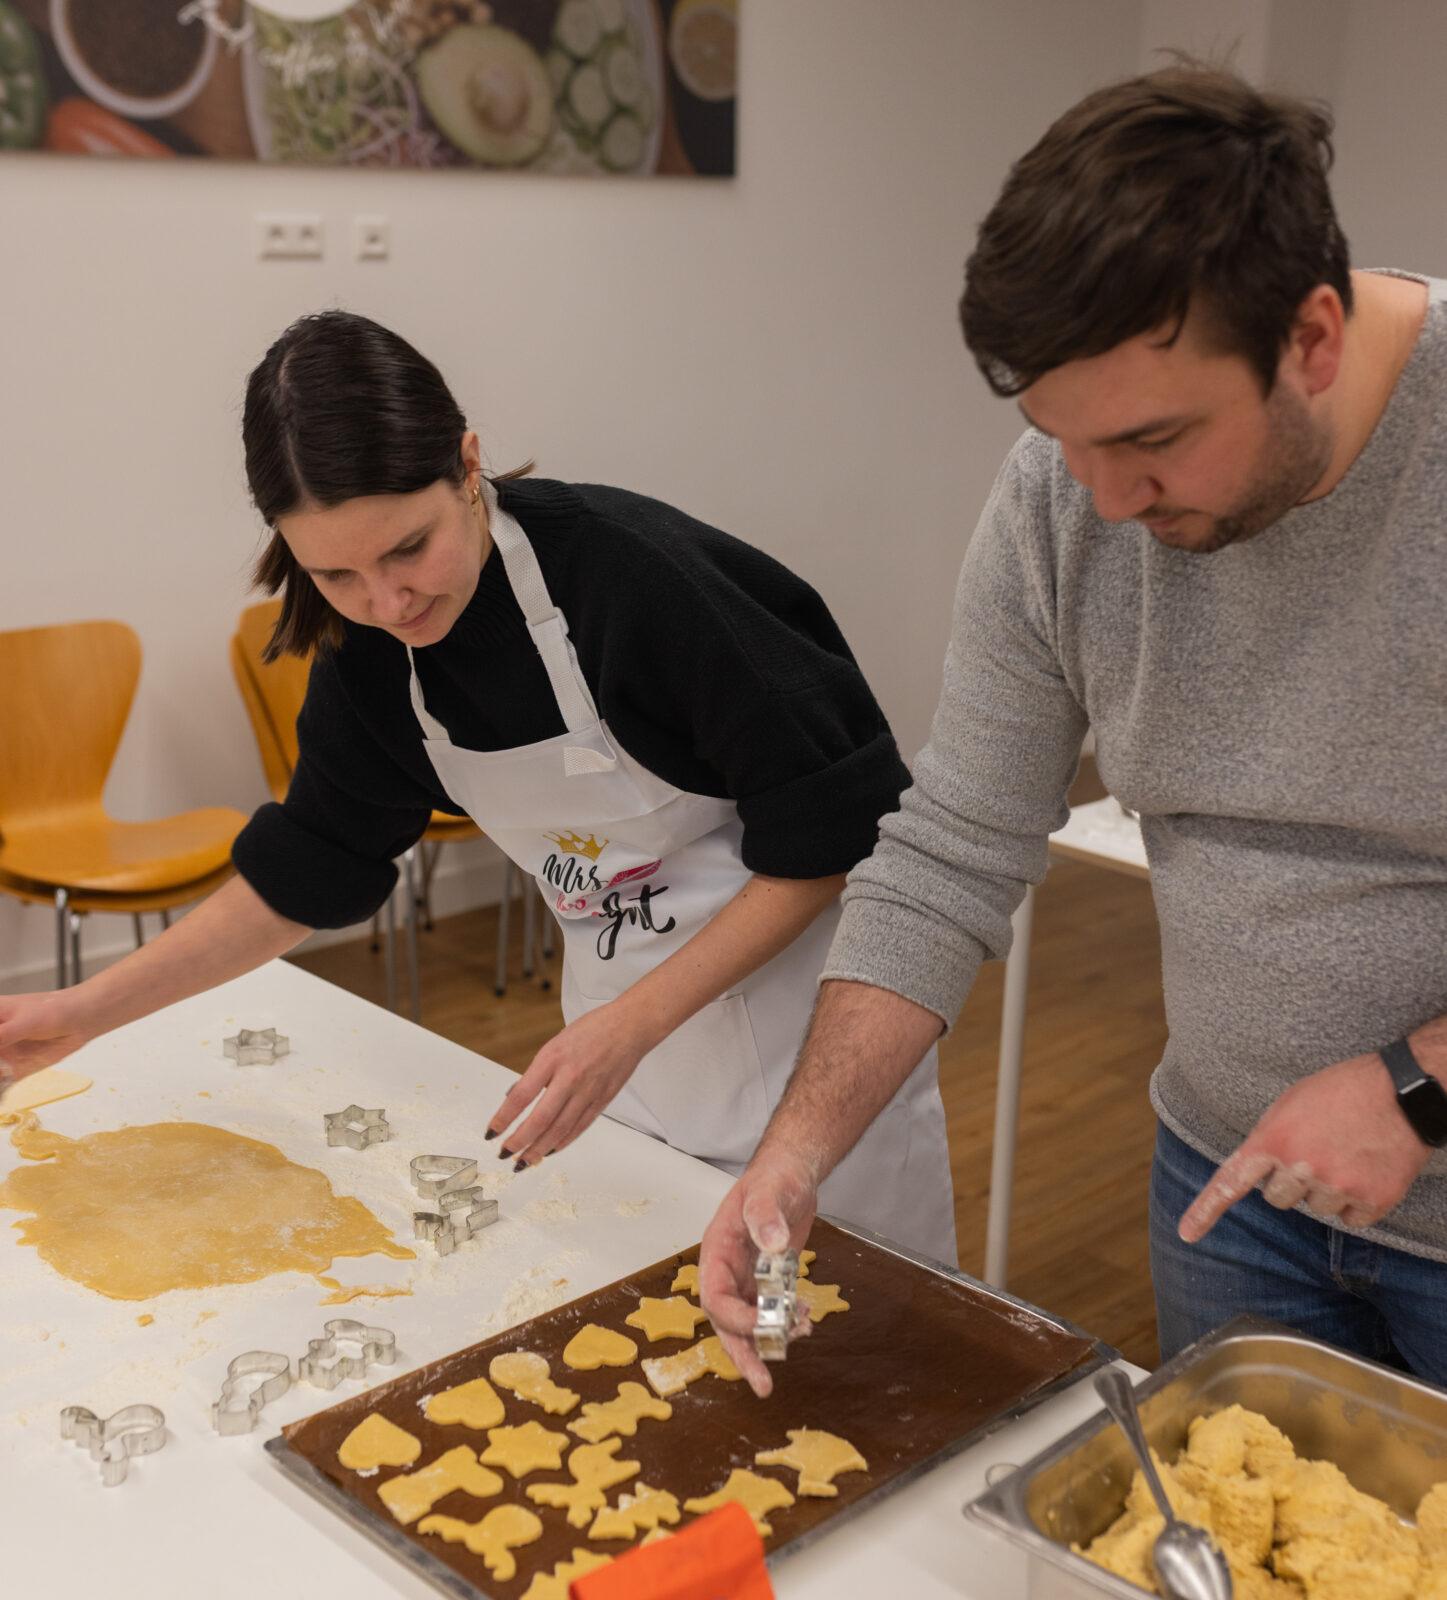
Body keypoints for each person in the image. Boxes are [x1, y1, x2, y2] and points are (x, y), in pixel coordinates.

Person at [699, 63, 1447, 1396]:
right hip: (1226, 1186)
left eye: (1152, 439)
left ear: (1311, 338)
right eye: (1062, 438)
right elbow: (951, 849)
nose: (1104, 502)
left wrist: (1412, 1086)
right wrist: (794, 1154)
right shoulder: (1065, 495)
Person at [0, 311, 956, 1262]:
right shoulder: (371, 653)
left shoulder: (641, 580)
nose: (387, 603)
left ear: (467, 465)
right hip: (615, 1067)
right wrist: (79, 1013)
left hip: (814, 1060)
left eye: (408, 548)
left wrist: (635, 1022)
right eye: (335, 573)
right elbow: (311, 867)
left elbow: (836, 836)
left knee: (852, 1326)